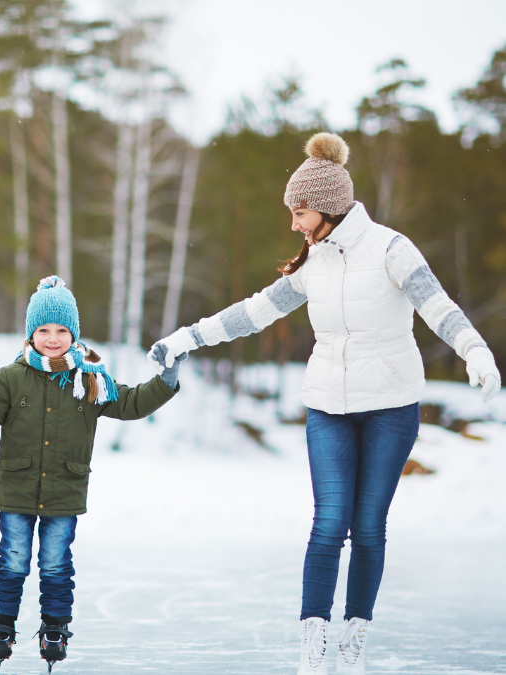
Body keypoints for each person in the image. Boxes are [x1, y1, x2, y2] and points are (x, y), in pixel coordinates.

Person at [148, 132, 501, 675]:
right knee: (328, 522)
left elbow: (437, 305)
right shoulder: (315, 262)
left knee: (369, 526)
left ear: (330, 207)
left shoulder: (390, 249)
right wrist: (187, 338)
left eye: (300, 211)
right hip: (328, 407)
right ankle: (313, 650)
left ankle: (353, 640)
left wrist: (474, 351)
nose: (294, 223)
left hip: (390, 405)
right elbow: (253, 312)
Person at [0, 276, 182, 672]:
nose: (52, 338)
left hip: (65, 489)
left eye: (61, 330)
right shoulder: (11, 376)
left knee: (56, 563)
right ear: (31, 334)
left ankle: (55, 626)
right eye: (43, 330)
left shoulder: (89, 377)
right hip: (18, 487)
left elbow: (129, 402)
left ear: (73, 333)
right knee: (14, 559)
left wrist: (166, 381)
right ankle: (1, 623)